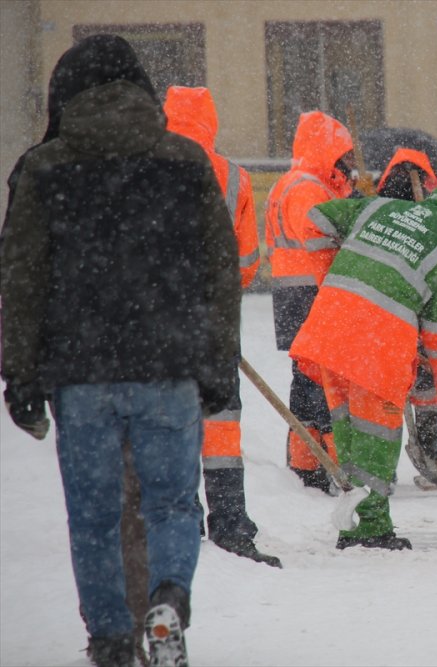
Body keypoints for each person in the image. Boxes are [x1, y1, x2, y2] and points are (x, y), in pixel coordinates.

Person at [1, 34, 240, 667]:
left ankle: (109, 637)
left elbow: (20, 278)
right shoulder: (187, 161)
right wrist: (217, 364)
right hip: (168, 367)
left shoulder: (43, 168)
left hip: (79, 376)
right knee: (171, 503)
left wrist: (20, 376)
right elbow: (220, 272)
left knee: (94, 516)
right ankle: (167, 600)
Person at [290, 175, 437, 550]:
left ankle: (352, 522)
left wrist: (334, 278)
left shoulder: (381, 206)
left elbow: (316, 219)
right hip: (377, 347)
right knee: (376, 439)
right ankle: (371, 529)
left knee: (347, 431)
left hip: (331, 329)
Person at [163, 85, 280, 568]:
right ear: (211, 122)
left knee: (169, 419)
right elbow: (248, 262)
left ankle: (178, 514)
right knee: (222, 425)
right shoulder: (235, 177)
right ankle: (230, 521)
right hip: (215, 323)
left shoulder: (147, 166)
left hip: (158, 322)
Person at [265, 110, 356, 493]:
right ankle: (329, 464)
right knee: (323, 379)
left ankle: (306, 462)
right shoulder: (307, 189)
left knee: (307, 378)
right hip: (311, 292)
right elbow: (321, 240)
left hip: (291, 293)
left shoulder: (291, 183)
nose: (345, 163)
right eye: (341, 156)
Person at [375, 148, 437, 471]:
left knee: (400, 387)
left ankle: (390, 465)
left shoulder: (377, 202)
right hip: (410, 301)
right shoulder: (415, 205)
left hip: (393, 303)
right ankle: (426, 459)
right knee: (418, 385)